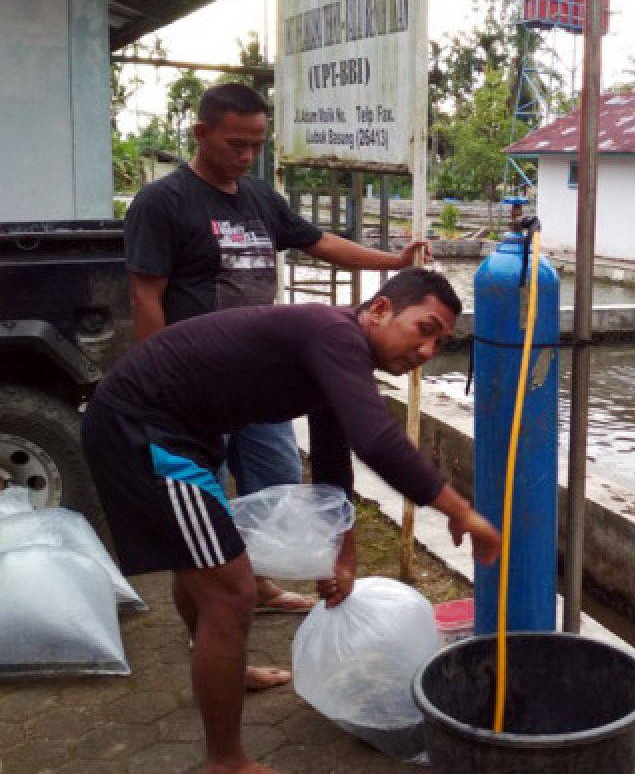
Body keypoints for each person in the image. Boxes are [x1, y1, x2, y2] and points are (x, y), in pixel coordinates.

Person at [81, 269, 501, 774]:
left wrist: (343, 554)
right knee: (231, 590)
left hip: (178, 433)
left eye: (441, 341)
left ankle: (221, 670)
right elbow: (377, 440)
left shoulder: (337, 350)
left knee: (203, 566)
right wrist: (462, 511)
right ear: (382, 309)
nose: (428, 350)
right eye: (425, 328)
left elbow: (332, 460)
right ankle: (226, 760)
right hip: (142, 432)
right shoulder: (334, 334)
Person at [123, 82, 431, 617]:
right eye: (235, 144)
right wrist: (158, 387)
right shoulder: (162, 203)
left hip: (259, 376)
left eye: (256, 145)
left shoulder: (260, 198)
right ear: (201, 133)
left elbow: (320, 243)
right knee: (204, 503)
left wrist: (392, 263)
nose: (245, 157)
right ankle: (213, 620)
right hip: (193, 385)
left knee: (279, 475)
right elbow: (145, 297)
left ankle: (258, 584)